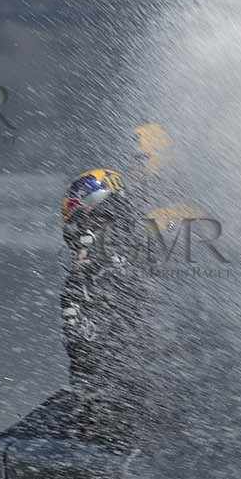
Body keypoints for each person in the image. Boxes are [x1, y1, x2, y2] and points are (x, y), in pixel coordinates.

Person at [59, 168, 153, 449]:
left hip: (149, 394)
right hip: (108, 412)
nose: (88, 230)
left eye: (97, 217)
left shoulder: (149, 247)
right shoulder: (78, 282)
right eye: (80, 222)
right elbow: (81, 355)